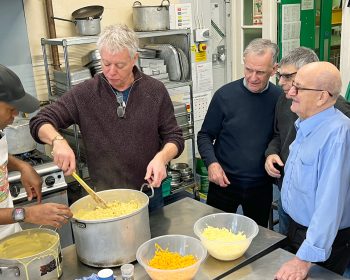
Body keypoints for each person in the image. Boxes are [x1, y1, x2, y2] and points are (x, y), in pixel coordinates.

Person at [30, 24, 184, 211]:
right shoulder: (85, 93)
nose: (111, 72)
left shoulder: (155, 91)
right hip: (105, 197)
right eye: (106, 63)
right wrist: (57, 140)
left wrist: (161, 158)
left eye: (119, 65)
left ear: (135, 58)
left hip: (149, 192)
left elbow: (174, 137)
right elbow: (40, 120)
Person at [274, 61, 350, 279]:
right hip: (298, 228)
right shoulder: (307, 122)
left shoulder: (338, 135)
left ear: (322, 96)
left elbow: (330, 204)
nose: (290, 92)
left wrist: (303, 259)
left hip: (323, 239)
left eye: (299, 88)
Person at [264, 47, 350, 235]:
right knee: (289, 245)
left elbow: (333, 192)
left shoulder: (340, 112)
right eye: (280, 75)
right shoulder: (286, 100)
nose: (281, 83)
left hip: (318, 212)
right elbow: (279, 135)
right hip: (288, 194)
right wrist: (271, 153)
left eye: (288, 77)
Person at [197, 39, 282, 227]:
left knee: (256, 238)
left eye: (260, 72)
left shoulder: (280, 99)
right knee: (215, 233)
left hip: (260, 186)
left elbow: (280, 135)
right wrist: (211, 164)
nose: (253, 77)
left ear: (274, 69)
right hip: (223, 182)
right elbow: (204, 136)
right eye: (248, 69)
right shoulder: (224, 96)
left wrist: (273, 153)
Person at [0, 64, 72, 239]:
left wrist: (22, 166)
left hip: (9, 236)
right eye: (11, 108)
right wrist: (27, 214)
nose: (16, 114)